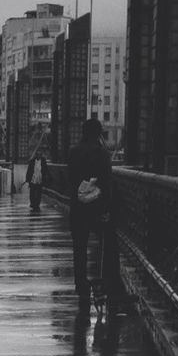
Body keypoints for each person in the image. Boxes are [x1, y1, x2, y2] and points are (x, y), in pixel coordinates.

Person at [66, 117, 125, 314]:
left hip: (78, 209)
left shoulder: (74, 152)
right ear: (99, 133)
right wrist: (109, 208)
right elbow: (107, 182)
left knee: (79, 249)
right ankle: (109, 285)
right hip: (98, 208)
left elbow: (70, 181)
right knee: (108, 246)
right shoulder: (102, 153)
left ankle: (82, 287)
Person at [24, 148, 51, 214]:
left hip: (40, 178)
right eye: (37, 154)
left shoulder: (43, 161)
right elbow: (29, 170)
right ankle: (32, 203)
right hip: (33, 178)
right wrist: (27, 178)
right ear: (36, 155)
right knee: (32, 192)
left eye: (40, 154)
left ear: (41, 155)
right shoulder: (32, 161)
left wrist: (47, 176)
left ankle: (37, 204)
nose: (39, 156)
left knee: (39, 192)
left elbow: (46, 169)